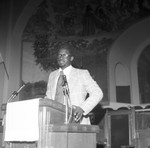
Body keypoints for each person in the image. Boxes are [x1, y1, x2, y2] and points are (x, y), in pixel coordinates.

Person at [45, 43, 103, 124]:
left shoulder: (82, 74)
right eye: (59, 55)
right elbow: (49, 98)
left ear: (71, 58)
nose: (61, 57)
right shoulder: (52, 75)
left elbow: (98, 93)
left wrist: (83, 108)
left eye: (64, 55)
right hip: (55, 121)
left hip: (76, 122)